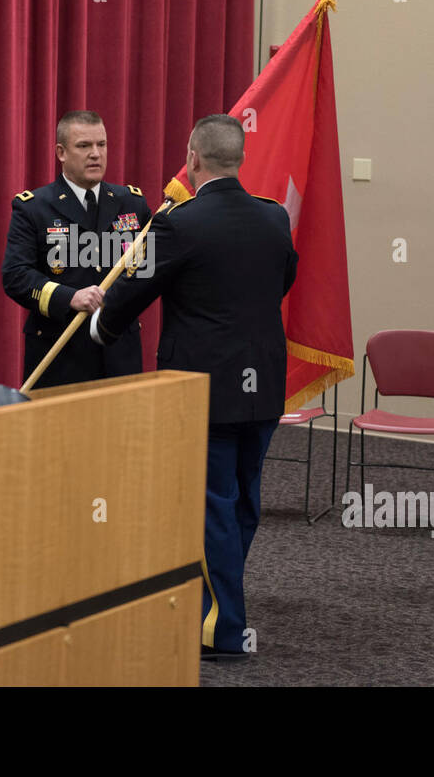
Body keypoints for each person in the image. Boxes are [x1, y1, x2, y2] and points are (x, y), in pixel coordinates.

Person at [91, 114, 297, 660]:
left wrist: (100, 326)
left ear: (192, 158)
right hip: (263, 386)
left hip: (204, 389)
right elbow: (283, 281)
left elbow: (132, 293)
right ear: (241, 159)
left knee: (212, 506)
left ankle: (219, 626)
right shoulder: (276, 219)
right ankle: (218, 603)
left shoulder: (177, 223)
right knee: (243, 503)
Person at [1, 110, 150, 388]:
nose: (95, 154)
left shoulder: (132, 204)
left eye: (101, 145)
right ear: (61, 152)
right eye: (84, 146)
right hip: (59, 353)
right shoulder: (33, 208)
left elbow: (146, 272)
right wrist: (69, 297)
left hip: (119, 354)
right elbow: (16, 276)